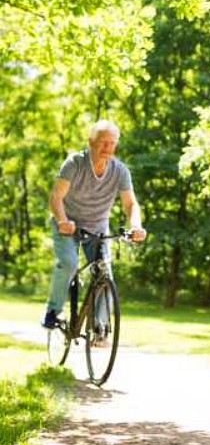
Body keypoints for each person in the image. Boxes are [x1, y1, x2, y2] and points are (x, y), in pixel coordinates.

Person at [41, 119, 147, 340]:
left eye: (112, 143)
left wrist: (135, 225)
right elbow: (56, 197)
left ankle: (99, 328)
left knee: (104, 274)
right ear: (90, 142)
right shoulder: (74, 164)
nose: (107, 148)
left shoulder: (120, 171)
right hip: (67, 225)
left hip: (97, 228)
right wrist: (62, 220)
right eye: (102, 143)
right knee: (69, 263)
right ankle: (52, 311)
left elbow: (130, 204)